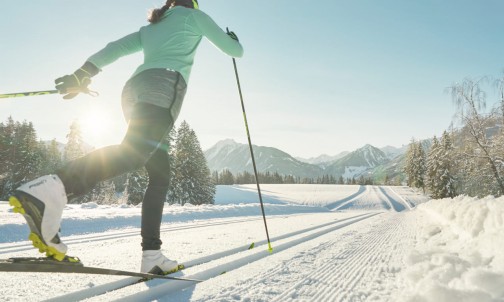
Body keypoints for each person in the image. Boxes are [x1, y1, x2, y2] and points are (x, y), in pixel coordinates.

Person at [9, 0, 243, 274]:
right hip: (163, 87)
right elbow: (234, 51)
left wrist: (83, 72)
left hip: (133, 91)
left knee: (159, 174)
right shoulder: (194, 16)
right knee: (133, 153)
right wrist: (232, 39)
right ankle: (50, 189)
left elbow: (115, 48)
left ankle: (152, 255)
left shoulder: (153, 26)